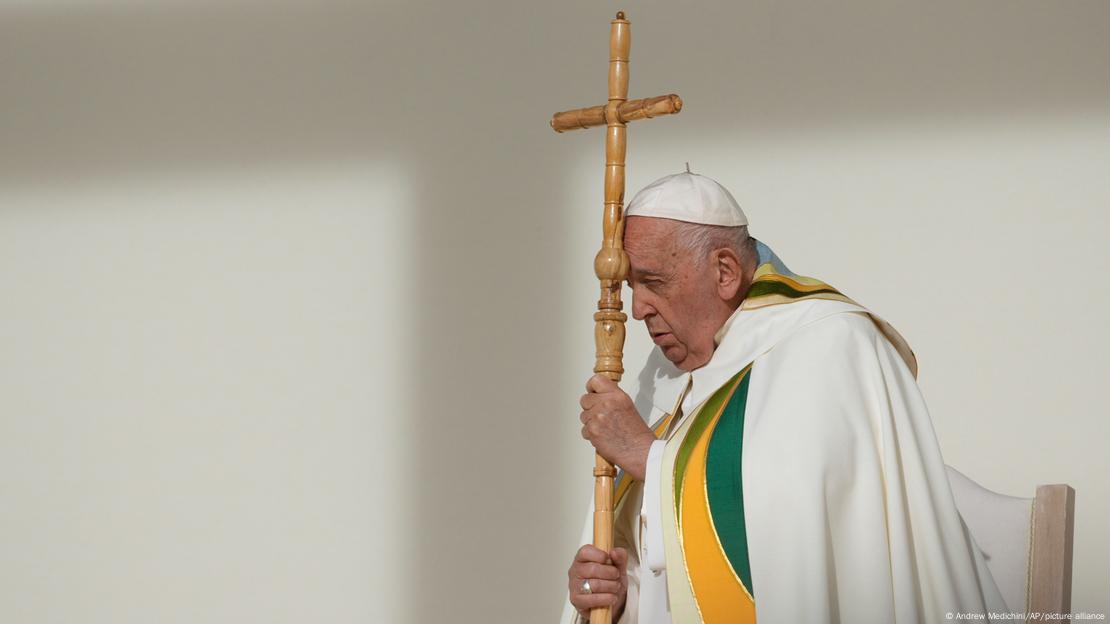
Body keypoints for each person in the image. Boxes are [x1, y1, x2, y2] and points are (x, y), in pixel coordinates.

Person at [560, 171, 1008, 623]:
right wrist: (618, 595)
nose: (638, 310)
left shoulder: (828, 343)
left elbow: (795, 546)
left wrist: (648, 460)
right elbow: (670, 579)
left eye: (654, 282)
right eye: (633, 286)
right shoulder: (665, 374)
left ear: (725, 272)